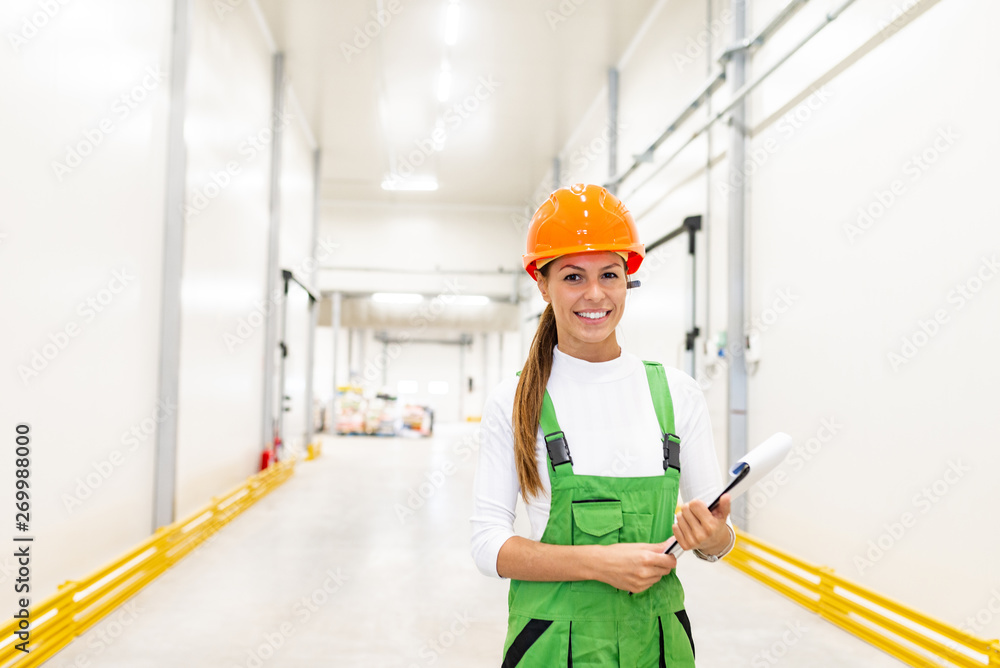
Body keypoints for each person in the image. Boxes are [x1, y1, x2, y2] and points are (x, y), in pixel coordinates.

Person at [471, 184, 735, 667]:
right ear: (542, 284)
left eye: (609, 275)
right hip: (551, 647)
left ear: (626, 279)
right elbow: (488, 544)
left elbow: (719, 538)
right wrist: (599, 564)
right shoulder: (514, 400)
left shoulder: (677, 394)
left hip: (657, 647)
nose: (595, 294)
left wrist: (713, 536)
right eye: (573, 276)